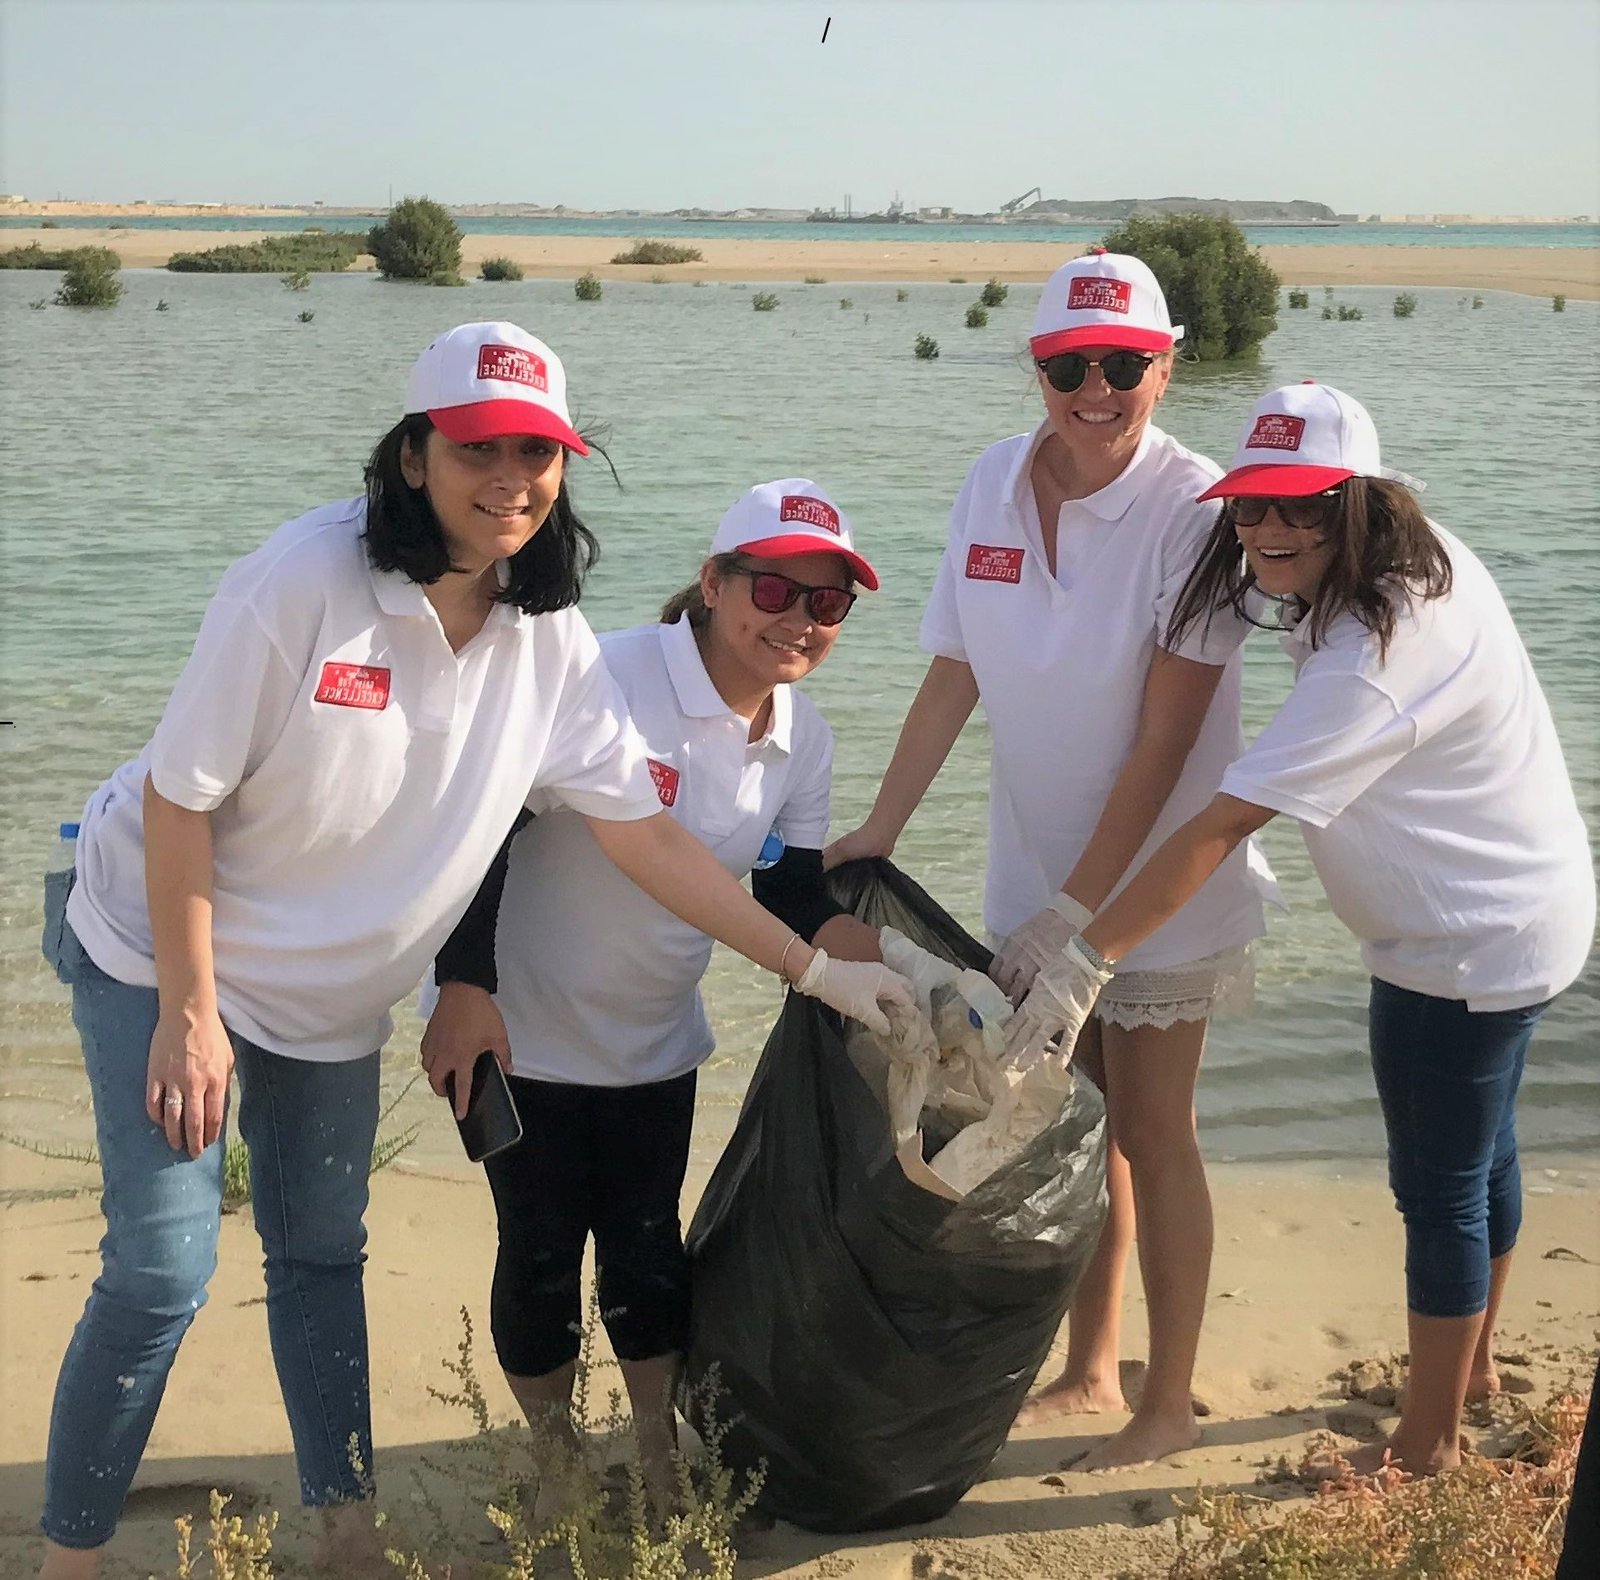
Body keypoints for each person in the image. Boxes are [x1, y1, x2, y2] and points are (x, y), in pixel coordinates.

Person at [35, 325, 913, 1580]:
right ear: (413, 453)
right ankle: (69, 1558)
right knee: (164, 1264)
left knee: (321, 1248)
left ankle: (347, 1537)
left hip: (331, 993)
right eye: (478, 446)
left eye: (540, 451)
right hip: (157, 941)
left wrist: (821, 970)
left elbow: (646, 838)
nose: (511, 475)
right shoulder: (299, 582)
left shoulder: (544, 636)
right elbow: (181, 798)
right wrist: (189, 1008)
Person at [1007, 381, 1595, 1479]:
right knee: (1488, 1150)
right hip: (1524, 906)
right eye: (1249, 506)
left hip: (1457, 945)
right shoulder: (1408, 562)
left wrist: (1085, 956)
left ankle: (1423, 1451)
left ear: (1364, 505)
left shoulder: (1379, 654)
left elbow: (1224, 818)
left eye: (1304, 508)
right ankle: (1466, 1376)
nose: (1269, 530)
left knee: (1439, 1186)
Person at [826, 250, 1275, 1469]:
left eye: (1121, 365)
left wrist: (1084, 915)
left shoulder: (1198, 513)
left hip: (1154, 891)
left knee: (1152, 1128)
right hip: (1027, 876)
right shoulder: (987, 483)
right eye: (1067, 365)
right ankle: (1087, 1365)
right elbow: (953, 669)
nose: (1093, 388)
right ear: (1036, 369)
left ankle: (1165, 1397)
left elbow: (1166, 737)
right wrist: (880, 826)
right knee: (1067, 1123)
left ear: (1164, 367)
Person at [419, 479, 935, 1513]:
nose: (796, 619)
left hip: (657, 1041)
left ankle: (655, 1452)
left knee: (651, 1253)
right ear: (713, 580)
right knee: (537, 1256)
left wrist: (915, 979)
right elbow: (478, 835)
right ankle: (558, 1457)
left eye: (826, 603)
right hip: (519, 1034)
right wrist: (461, 983)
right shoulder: (602, 675)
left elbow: (789, 893)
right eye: (776, 588)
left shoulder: (806, 739)